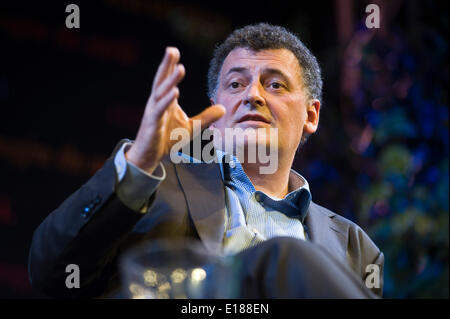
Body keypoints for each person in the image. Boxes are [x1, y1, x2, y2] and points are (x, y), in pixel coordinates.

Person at [28, 23, 384, 298]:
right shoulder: (153, 185)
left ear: (311, 115)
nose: (253, 95)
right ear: (215, 112)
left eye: (275, 84)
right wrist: (141, 160)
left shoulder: (356, 248)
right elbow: (51, 272)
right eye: (235, 84)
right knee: (285, 256)